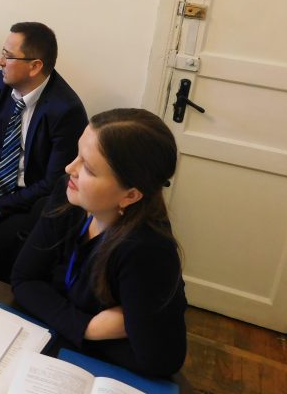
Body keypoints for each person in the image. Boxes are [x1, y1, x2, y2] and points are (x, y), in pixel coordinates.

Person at [11, 109, 187, 378]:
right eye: (77, 155)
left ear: (130, 195)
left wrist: (60, 313)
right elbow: (23, 280)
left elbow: (158, 361)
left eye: (89, 168)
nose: (70, 168)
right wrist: (89, 327)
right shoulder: (68, 193)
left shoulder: (148, 250)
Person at [0, 22, 87, 280]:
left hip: (30, 198)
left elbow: (53, 183)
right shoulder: (1, 83)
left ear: (35, 66)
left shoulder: (66, 110)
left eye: (8, 56)